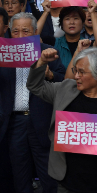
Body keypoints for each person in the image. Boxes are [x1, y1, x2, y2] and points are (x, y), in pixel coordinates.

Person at [27, 47, 97, 193]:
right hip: (66, 182)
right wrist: (41, 62)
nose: (76, 76)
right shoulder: (65, 89)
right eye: (75, 70)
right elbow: (34, 86)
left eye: (81, 72)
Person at [0, 12, 65, 193]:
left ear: (36, 32)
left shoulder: (49, 52)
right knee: (20, 177)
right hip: (14, 123)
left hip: (42, 121)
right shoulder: (3, 54)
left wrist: (51, 75)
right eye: (16, 32)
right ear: (9, 33)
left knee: (49, 177)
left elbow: (66, 82)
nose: (20, 36)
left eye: (26, 31)